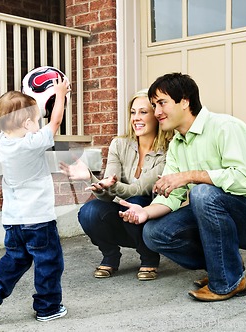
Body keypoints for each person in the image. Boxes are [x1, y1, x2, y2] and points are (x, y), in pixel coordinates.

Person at [119, 73, 246, 301]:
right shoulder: (177, 144)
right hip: (219, 212)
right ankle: (226, 267)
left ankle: (226, 283)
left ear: (184, 101)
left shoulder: (226, 127)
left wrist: (190, 176)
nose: (156, 112)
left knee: (202, 193)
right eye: (154, 105)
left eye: (162, 103)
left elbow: (244, 180)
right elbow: (171, 195)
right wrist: (144, 212)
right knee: (154, 233)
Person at [0, 76, 70, 323]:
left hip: (13, 221)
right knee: (49, 262)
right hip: (39, 220)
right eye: (36, 120)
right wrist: (59, 93)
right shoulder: (32, 143)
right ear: (28, 124)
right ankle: (48, 307)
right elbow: (56, 121)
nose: (40, 123)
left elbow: (17, 122)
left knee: (16, 259)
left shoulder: (2, 142)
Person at [59, 89, 173, 281]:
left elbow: (138, 190)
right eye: (133, 112)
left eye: (143, 112)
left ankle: (149, 256)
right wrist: (93, 180)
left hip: (153, 215)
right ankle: (110, 255)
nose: (136, 118)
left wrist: (110, 186)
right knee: (89, 211)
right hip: (123, 211)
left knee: (136, 201)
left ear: (157, 115)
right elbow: (108, 193)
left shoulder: (169, 150)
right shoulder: (119, 145)